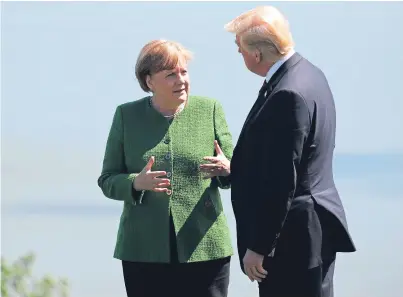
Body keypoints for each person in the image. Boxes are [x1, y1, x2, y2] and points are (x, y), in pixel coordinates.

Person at [224, 6, 356, 297]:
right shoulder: (309, 73)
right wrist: (237, 166)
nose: (240, 56)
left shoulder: (287, 94)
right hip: (314, 230)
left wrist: (259, 247)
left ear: (256, 54)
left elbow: (283, 181)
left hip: (292, 239)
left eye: (240, 49)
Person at [97, 39, 234, 297]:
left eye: (184, 72)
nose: (181, 80)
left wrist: (228, 169)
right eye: (171, 74)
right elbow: (107, 179)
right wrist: (136, 183)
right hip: (144, 252)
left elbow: (236, 170)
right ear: (149, 82)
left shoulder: (210, 110)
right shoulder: (126, 116)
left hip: (205, 248)